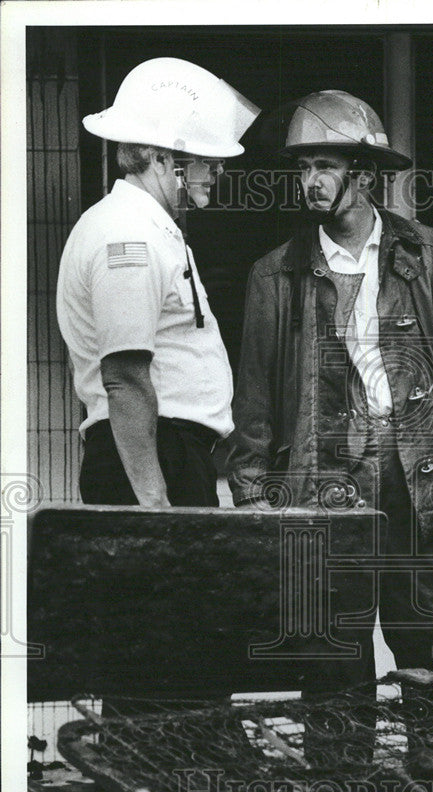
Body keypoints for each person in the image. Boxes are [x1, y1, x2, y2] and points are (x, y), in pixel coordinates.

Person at [227, 90, 433, 727]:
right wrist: (253, 499)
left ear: (363, 177)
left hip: (411, 477)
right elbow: (254, 401)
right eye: (303, 167)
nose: (309, 181)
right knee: (332, 664)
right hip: (321, 483)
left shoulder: (431, 254)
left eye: (325, 167)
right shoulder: (274, 273)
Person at [57, 57, 259, 507]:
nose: (218, 172)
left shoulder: (147, 226)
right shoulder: (130, 233)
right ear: (162, 158)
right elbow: (125, 377)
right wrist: (154, 505)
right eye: (207, 160)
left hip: (165, 451)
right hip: (153, 456)